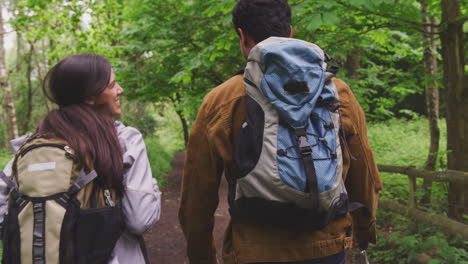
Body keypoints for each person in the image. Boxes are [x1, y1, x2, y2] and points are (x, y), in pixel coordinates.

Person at [179, 0, 382, 264]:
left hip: (254, 250)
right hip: (327, 245)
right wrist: (364, 230)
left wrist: (201, 256)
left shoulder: (222, 100)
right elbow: (364, 172)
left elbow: (197, 197)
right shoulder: (336, 90)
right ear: (290, 32)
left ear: (243, 36)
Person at [0, 54, 161, 263]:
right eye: (112, 85)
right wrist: (152, 189)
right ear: (90, 97)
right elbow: (140, 219)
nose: (120, 90)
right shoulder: (125, 140)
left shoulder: (33, 146)